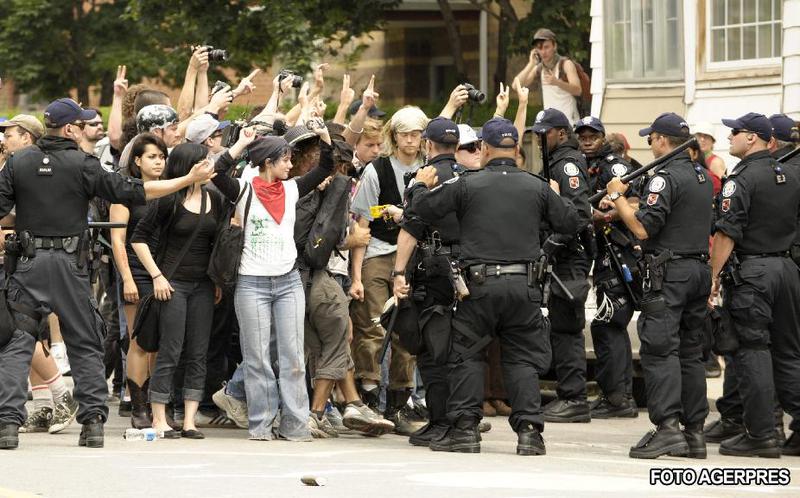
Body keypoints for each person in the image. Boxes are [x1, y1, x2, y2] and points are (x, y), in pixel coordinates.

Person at [0, 98, 215, 450]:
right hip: (70, 264)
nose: (86, 129)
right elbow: (134, 190)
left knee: (17, 343)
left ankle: (7, 425)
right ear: (69, 129)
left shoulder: (19, 162)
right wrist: (188, 179)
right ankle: (93, 425)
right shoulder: (83, 164)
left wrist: (26, 218)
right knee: (84, 341)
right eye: (81, 124)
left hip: (29, 263)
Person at [408, 117, 580, 455]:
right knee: (522, 360)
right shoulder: (536, 185)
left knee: (468, 355)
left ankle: (466, 431)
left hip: (479, 286)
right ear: (516, 149)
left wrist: (418, 184)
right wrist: (557, 197)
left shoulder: (467, 184)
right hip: (523, 285)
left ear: (484, 148)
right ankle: (530, 433)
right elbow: (571, 222)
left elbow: (422, 210)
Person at [209, 120, 333, 441]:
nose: (291, 165)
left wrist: (325, 139)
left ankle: (294, 425)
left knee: (293, 358)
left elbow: (325, 168)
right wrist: (239, 145)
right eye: (286, 160)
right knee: (257, 358)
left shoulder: (291, 189)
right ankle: (261, 425)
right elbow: (216, 171)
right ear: (268, 162)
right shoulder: (243, 188)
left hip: (288, 282)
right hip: (252, 284)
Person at [606, 112, 712, 459]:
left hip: (670, 274)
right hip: (697, 269)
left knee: (660, 350)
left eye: (650, 138)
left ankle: (667, 428)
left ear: (663, 140)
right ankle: (694, 432)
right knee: (691, 354)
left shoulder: (663, 178)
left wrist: (618, 196)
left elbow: (641, 229)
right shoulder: (700, 175)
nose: (649, 144)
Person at [709, 113, 800, 458]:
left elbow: (728, 232)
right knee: (789, 354)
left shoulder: (740, 179)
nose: (730, 137)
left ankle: (761, 434)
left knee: (753, 352)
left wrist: (714, 278)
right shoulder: (789, 174)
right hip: (787, 270)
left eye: (735, 132)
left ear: (753, 138)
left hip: (755, 273)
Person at [349, 106, 428, 434]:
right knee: (372, 326)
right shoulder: (376, 170)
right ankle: (368, 395)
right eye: (405, 134)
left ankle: (399, 400)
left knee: (407, 331)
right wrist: (357, 274)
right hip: (378, 255)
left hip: (412, 258)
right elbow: (362, 224)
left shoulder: (427, 169)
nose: (411, 140)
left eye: (416, 134)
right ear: (393, 137)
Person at [391, 117, 465, 447]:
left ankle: (440, 422)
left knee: (434, 352)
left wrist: (398, 274)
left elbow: (411, 230)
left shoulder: (422, 180)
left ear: (428, 145)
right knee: (463, 352)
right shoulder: (470, 177)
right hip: (469, 274)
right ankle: (464, 421)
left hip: (434, 274)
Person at [530, 108, 593, 423]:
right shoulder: (554, 161)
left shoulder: (566, 163)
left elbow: (579, 214)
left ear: (560, 133)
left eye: (545, 131)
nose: (540, 137)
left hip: (569, 256)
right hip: (560, 256)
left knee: (568, 329)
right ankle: (569, 393)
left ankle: (574, 398)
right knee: (560, 326)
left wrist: (551, 245)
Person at [576, 116, 639, 418]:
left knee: (607, 324)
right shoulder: (584, 165)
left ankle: (616, 398)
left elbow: (635, 204)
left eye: (592, 135)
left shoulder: (614, 166)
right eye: (582, 135)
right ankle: (617, 394)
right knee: (607, 325)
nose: (587, 140)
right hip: (600, 254)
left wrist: (606, 212)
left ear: (602, 137)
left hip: (617, 254)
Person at [109, 133, 168, 429]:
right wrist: (128, 280)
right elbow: (118, 241)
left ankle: (157, 404)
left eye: (161, 157)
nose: (158, 162)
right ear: (137, 161)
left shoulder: (170, 191)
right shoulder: (124, 194)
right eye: (152, 157)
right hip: (136, 273)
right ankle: (139, 406)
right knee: (139, 341)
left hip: (165, 272)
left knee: (159, 343)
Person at [515, 28, 582, 125]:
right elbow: (516, 85)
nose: (543, 52)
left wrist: (557, 82)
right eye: (540, 48)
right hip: (550, 125)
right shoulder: (540, 68)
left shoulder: (566, 64)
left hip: (569, 123)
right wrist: (530, 64)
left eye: (546, 47)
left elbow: (578, 90)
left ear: (554, 46)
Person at [692, 122, 725, 195]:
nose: (702, 139)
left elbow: (722, 189)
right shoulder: (691, 158)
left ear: (712, 141)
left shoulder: (716, 162)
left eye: (706, 136)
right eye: (699, 135)